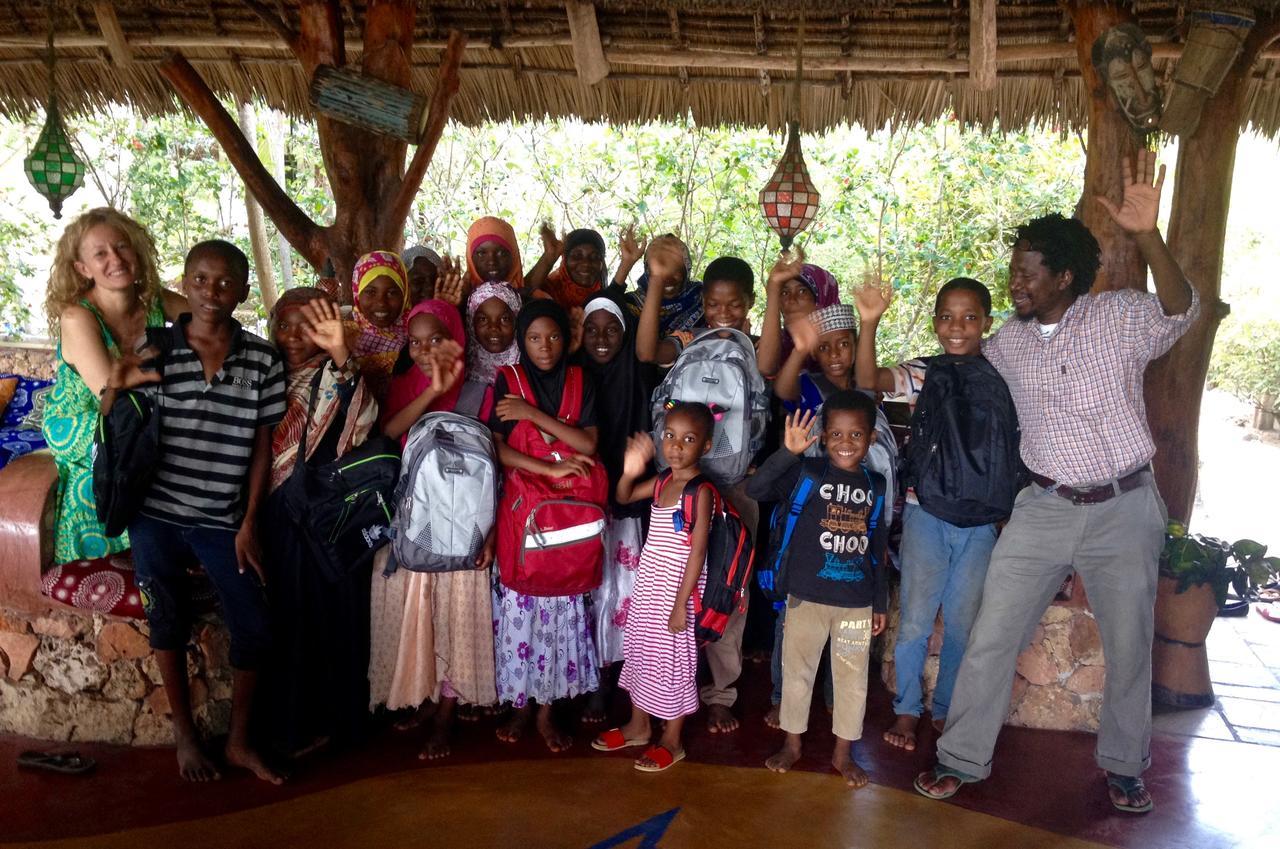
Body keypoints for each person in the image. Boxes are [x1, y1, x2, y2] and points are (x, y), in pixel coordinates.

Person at [915, 151, 1200, 815]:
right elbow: (953, 367)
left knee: (1130, 641)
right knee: (993, 630)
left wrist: (1149, 234)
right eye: (1013, 270)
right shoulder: (1007, 344)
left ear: (1064, 275)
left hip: (1124, 504)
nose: (1014, 282)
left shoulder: (1118, 318)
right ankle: (961, 756)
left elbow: (1180, 309)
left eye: (1027, 272)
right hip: (1042, 506)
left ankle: (1126, 766)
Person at [106, 240, 285, 784]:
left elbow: (261, 446)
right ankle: (185, 735)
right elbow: (120, 420)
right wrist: (116, 382)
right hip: (156, 512)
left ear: (244, 292)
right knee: (167, 617)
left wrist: (249, 521)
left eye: (226, 282)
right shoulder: (156, 348)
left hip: (221, 516)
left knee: (254, 621)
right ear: (185, 283)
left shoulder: (262, 359)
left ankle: (237, 742)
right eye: (202, 280)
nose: (212, 292)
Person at [854, 276, 1007, 751]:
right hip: (927, 513)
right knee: (917, 621)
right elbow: (867, 380)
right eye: (946, 317)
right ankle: (907, 711)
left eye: (968, 318)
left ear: (986, 322)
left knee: (962, 625)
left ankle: (943, 709)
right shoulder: (927, 372)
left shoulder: (1006, 373)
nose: (956, 327)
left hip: (980, 521)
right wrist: (870, 321)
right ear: (935, 321)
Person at [368, 299, 497, 760]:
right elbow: (388, 433)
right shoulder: (405, 384)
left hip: (464, 530)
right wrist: (428, 391)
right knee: (417, 622)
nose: (424, 350)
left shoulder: (481, 390)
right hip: (414, 528)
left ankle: (446, 712)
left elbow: (494, 468)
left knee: (457, 623)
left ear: (456, 337)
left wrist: (493, 533)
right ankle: (422, 699)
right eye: (416, 342)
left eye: (436, 339)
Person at [747, 394, 888, 788]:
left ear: (871, 438)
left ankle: (843, 753)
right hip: (806, 597)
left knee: (852, 680)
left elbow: (876, 550)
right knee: (797, 675)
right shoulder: (807, 473)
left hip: (856, 604)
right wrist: (788, 453)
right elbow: (757, 488)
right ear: (823, 437)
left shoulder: (875, 485)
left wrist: (880, 602)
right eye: (837, 434)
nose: (846, 442)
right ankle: (792, 744)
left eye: (856, 434)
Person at [768, 301, 898, 729]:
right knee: (796, 630)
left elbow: (865, 377)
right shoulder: (809, 387)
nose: (837, 354)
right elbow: (783, 391)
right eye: (825, 348)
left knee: (841, 631)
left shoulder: (862, 396)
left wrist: (869, 321)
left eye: (846, 345)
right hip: (811, 521)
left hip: (856, 520)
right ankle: (783, 698)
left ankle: (830, 702)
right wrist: (800, 349)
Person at [262, 287, 380, 758]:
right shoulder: (264, 376)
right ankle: (295, 724)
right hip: (277, 519)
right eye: (284, 325)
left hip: (324, 520)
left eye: (306, 325)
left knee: (333, 621)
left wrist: (338, 351)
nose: (293, 336)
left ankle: (337, 723)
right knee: (288, 623)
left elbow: (364, 422)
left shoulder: (337, 373)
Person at [41, 208, 187, 564]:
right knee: (138, 445)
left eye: (123, 247)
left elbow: (211, 323)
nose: (116, 259)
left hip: (140, 408)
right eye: (100, 254)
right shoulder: (78, 317)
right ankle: (134, 546)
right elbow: (111, 393)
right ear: (82, 269)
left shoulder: (155, 301)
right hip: (84, 417)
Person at [490, 299, 601, 751]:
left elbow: (589, 444)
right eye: (534, 338)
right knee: (522, 613)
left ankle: (545, 713)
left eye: (553, 336)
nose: (544, 347)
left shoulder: (580, 379)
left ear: (566, 338)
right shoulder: (506, 379)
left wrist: (533, 415)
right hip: (523, 518)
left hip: (569, 521)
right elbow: (497, 448)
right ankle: (519, 707)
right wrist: (552, 469)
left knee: (561, 616)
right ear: (521, 340)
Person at [593, 403, 715, 772]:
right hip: (650, 585)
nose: (676, 446)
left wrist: (681, 606)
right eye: (670, 437)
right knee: (643, 650)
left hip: (678, 589)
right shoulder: (663, 480)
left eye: (688, 439)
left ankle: (673, 739)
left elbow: (698, 552)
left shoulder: (700, 491)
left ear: (706, 446)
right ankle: (639, 724)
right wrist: (630, 472)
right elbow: (624, 497)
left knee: (675, 661)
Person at [578, 295, 653, 724]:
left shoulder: (638, 376)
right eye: (593, 329)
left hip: (626, 506)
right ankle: (595, 680)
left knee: (623, 594)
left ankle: (626, 678)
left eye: (612, 329)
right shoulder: (573, 374)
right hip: (583, 504)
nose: (602, 339)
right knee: (589, 593)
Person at [346, 250, 409, 403]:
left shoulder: (417, 333)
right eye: (370, 292)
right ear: (357, 292)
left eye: (392, 292)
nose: (381, 302)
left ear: (405, 294)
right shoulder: (343, 336)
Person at [456, 281, 522, 419]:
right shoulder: (458, 367)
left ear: (516, 320)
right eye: (482, 319)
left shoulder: (527, 366)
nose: (494, 328)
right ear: (471, 323)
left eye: (504, 319)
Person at [624, 235, 703, 336]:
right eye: (660, 270)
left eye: (675, 269)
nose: (668, 279)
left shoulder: (702, 299)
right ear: (647, 270)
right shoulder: (630, 305)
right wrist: (625, 265)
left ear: (686, 269)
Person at [466, 216, 525, 291]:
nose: (492, 262)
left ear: (514, 255)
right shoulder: (459, 298)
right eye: (481, 254)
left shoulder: (535, 298)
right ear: (470, 258)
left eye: (501, 253)